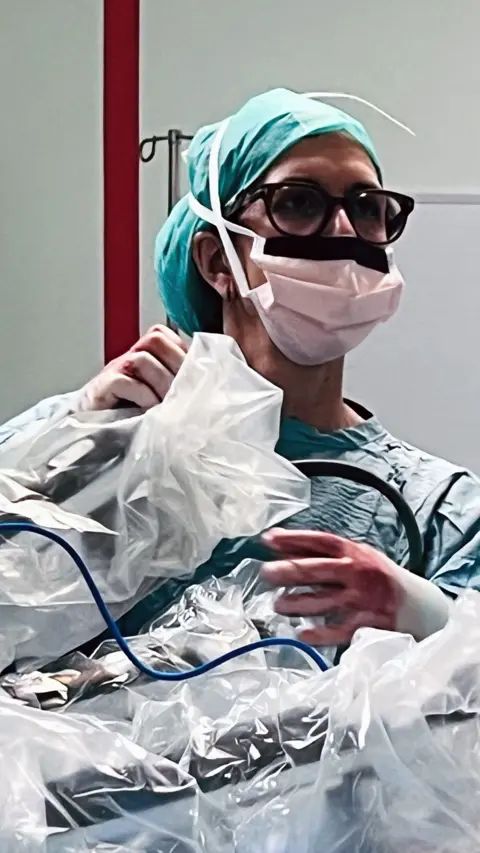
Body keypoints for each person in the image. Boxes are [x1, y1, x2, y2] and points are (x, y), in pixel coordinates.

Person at [2, 88, 480, 651]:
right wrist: (68, 454)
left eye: (367, 207)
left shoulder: (439, 508)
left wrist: (428, 617)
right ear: (216, 262)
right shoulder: (102, 430)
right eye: (299, 203)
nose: (346, 231)